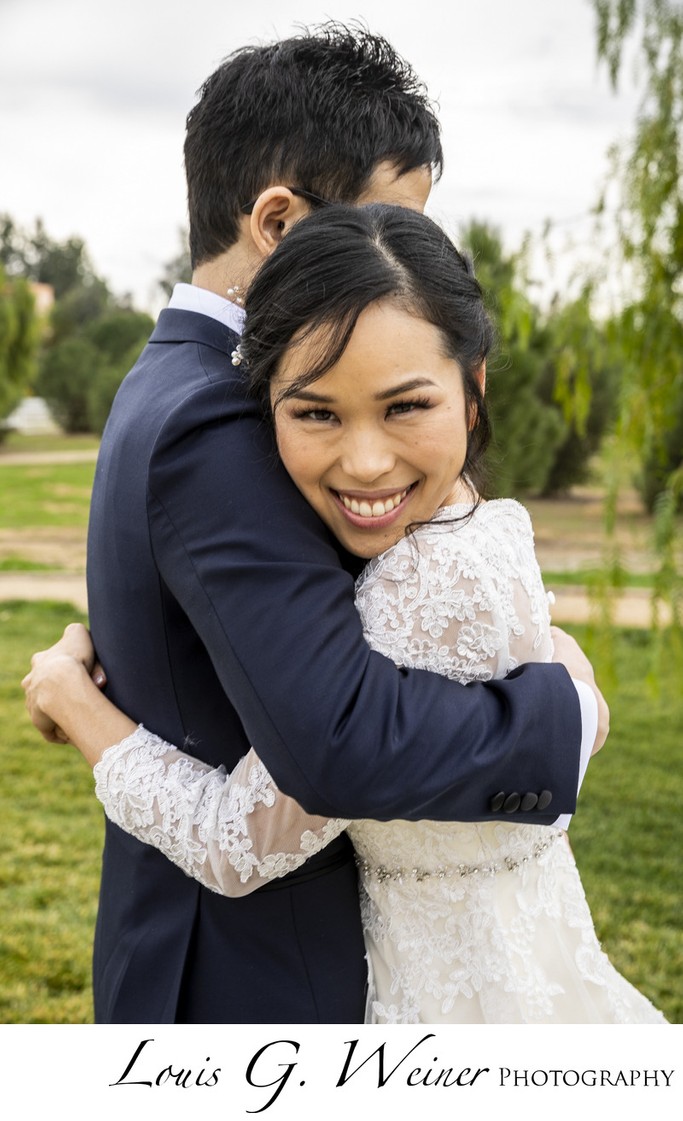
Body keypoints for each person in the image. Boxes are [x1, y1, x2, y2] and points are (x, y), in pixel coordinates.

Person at [25, 25, 607, 1025]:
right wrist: (567, 710)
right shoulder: (216, 414)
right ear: (278, 221)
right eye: (388, 224)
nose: (407, 260)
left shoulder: (173, 377)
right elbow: (336, 736)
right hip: (255, 981)